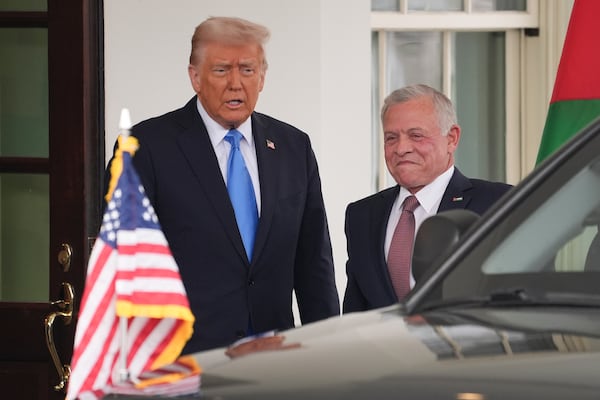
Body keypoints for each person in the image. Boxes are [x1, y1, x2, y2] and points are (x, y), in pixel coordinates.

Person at [105, 16, 340, 353]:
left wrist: (327, 352)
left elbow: (314, 263)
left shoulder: (293, 147)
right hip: (183, 361)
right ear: (195, 77)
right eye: (221, 70)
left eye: (247, 69)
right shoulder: (146, 148)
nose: (235, 83)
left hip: (274, 360)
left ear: (262, 77)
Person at [342, 83, 512, 313]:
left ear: (452, 138)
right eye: (391, 138)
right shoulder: (362, 215)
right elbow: (356, 311)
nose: (401, 148)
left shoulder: (498, 204)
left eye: (416, 135)